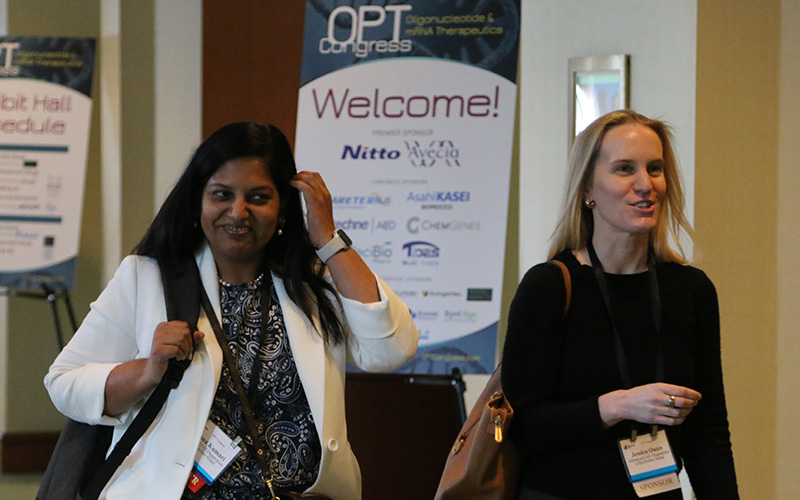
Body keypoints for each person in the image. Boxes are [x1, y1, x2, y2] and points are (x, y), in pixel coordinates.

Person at [45, 122, 419, 500]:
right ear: (198, 201)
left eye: (258, 197)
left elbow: (391, 349)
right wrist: (145, 371)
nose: (238, 212)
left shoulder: (313, 280)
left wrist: (328, 240)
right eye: (222, 194)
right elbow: (64, 384)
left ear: (282, 208)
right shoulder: (148, 277)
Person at [501, 110, 738, 499]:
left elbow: (708, 432)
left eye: (655, 169)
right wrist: (619, 406)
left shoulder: (691, 290)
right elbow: (524, 428)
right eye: (625, 169)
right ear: (587, 189)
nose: (645, 185)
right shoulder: (549, 287)